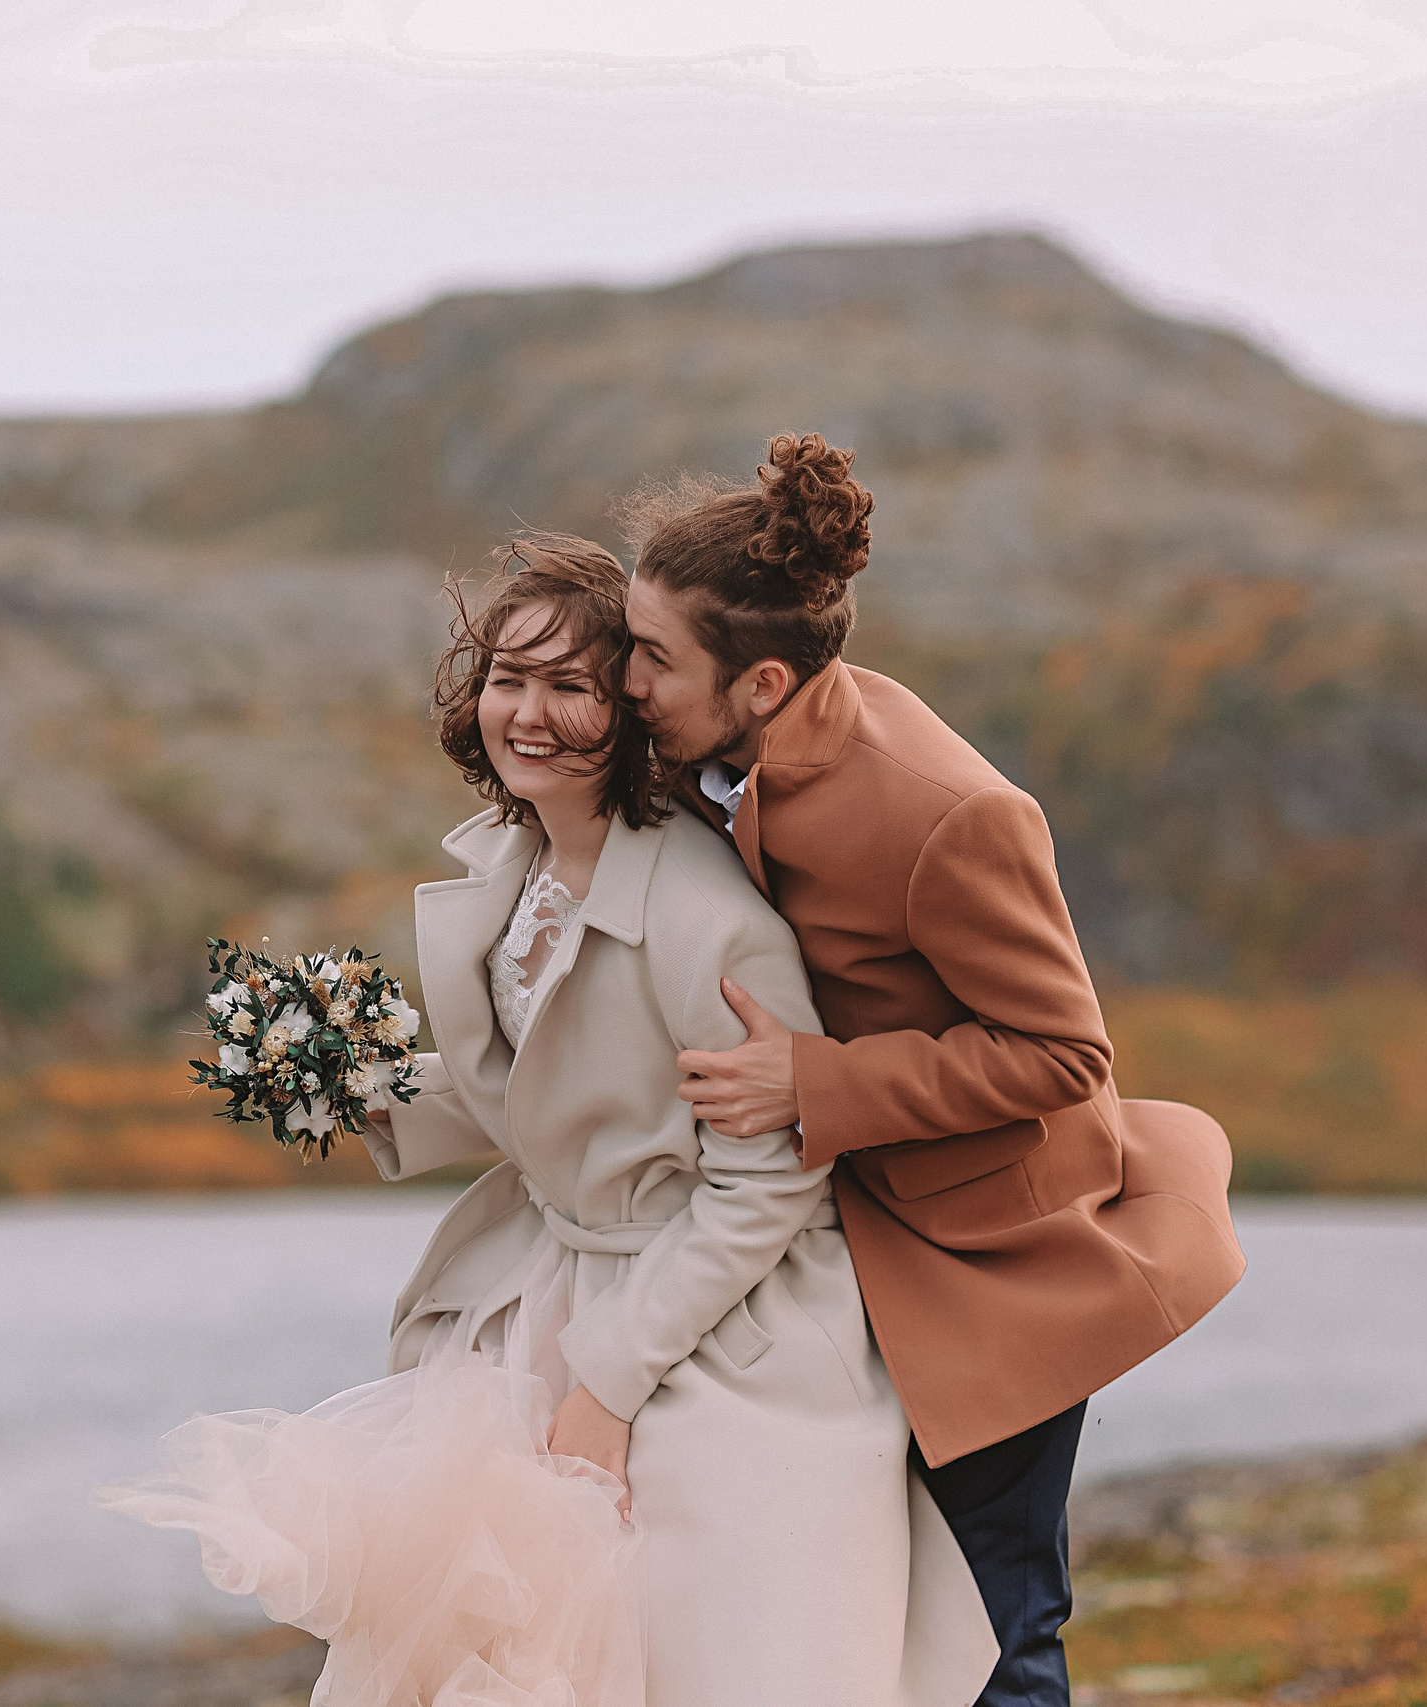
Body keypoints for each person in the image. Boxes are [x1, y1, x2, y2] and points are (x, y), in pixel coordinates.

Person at [101, 534, 999, 1707]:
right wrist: (355, 1085)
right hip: (554, 1291)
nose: (525, 714)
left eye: (568, 686)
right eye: (505, 680)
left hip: (712, 1320)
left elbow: (769, 1184)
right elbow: (548, 1092)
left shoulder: (704, 917)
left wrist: (607, 1387)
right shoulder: (515, 864)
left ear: (630, 705)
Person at [619, 432, 1248, 1707]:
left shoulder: (948, 812)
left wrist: (821, 1082)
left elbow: (1067, 1054)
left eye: (648, 656)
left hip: (992, 1268)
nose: (619, 677)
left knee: (992, 1627)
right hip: (838, 1249)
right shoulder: (720, 749)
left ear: (763, 682)